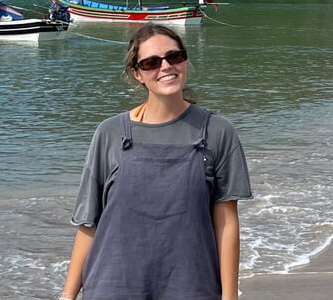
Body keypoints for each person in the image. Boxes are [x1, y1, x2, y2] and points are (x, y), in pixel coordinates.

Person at [62, 23, 252, 300]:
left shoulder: (218, 132)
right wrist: (68, 295)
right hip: (111, 286)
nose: (165, 67)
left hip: (191, 286)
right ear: (136, 73)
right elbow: (89, 222)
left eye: (174, 57)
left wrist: (229, 296)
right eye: (151, 62)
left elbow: (226, 224)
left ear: (185, 60)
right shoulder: (110, 133)